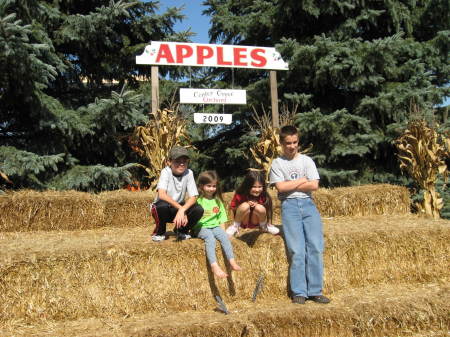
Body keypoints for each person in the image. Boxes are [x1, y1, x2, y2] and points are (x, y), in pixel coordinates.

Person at [269, 125, 330, 304]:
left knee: (316, 247)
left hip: (308, 204)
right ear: (281, 143)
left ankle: (315, 290)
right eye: (288, 143)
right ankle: (299, 292)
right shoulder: (277, 163)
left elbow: (314, 186)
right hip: (289, 207)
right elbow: (280, 188)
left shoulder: (306, 161)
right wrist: (302, 180)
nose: (292, 146)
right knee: (296, 250)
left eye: (295, 142)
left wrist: (292, 184)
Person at [193, 171, 242, 278]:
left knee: (224, 238)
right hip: (201, 227)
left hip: (214, 226)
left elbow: (222, 219)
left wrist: (223, 232)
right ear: (201, 186)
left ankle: (232, 261)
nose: (211, 189)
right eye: (208, 186)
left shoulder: (218, 201)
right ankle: (214, 265)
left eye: (214, 186)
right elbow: (192, 217)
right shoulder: (198, 201)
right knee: (210, 238)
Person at [151, 146, 204, 242]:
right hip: (165, 209)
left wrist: (182, 209)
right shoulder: (165, 172)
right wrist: (181, 209)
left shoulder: (189, 173)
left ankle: (181, 230)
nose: (181, 164)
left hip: (178, 209)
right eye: (177, 161)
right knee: (159, 206)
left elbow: (194, 197)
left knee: (198, 209)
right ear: (169, 162)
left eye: (185, 161)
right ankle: (160, 232)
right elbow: (162, 195)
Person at [226, 169, 280, 237]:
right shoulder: (240, 194)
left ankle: (264, 227)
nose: (257, 190)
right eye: (254, 187)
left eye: (260, 187)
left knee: (260, 208)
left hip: (256, 221)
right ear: (247, 186)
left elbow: (268, 210)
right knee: (244, 206)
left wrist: (269, 223)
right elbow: (233, 208)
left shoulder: (264, 195)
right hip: (243, 221)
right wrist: (246, 203)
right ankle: (235, 226)